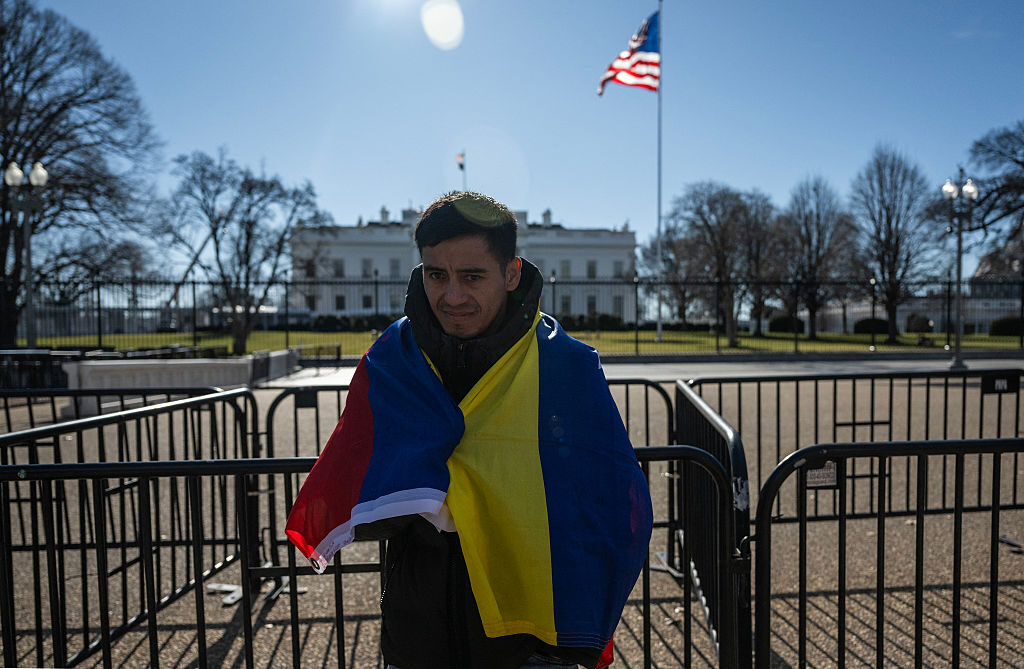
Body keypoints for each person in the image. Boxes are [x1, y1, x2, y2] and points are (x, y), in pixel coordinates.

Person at [286, 191, 653, 669]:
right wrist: (420, 493)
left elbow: (615, 503)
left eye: (472, 276)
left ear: (511, 273)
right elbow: (355, 493)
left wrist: (463, 492)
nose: (452, 296)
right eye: (436, 275)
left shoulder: (566, 366)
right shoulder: (392, 361)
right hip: (419, 635)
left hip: (533, 641)